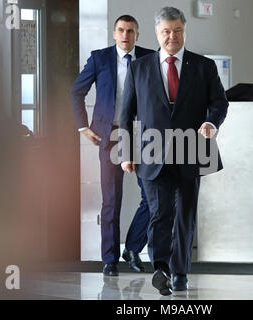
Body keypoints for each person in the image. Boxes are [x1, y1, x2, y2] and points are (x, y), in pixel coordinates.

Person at [119, 7, 228, 295]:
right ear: (157, 33)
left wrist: (210, 122)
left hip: (191, 149)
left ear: (184, 31)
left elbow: (220, 102)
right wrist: (126, 152)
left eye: (177, 30)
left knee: (185, 215)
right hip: (151, 152)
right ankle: (161, 267)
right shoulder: (139, 67)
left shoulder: (203, 66)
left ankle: (180, 273)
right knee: (159, 212)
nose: (172, 36)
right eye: (166, 31)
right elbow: (126, 113)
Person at [71, 15, 155, 276]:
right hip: (111, 135)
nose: (125, 35)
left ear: (137, 35)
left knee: (153, 199)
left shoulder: (150, 58)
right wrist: (83, 127)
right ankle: (109, 259)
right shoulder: (100, 58)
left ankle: (132, 247)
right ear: (114, 33)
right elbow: (76, 91)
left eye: (130, 31)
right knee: (111, 200)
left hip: (143, 135)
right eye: (121, 30)